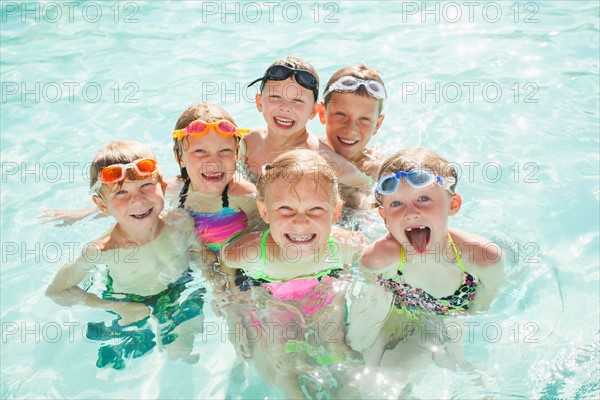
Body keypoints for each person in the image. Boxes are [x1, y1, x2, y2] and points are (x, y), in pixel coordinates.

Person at [220, 149, 367, 397]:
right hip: (274, 301)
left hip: (324, 299)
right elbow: (226, 263)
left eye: (316, 210)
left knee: (338, 350)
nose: (301, 222)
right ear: (264, 212)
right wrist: (236, 311)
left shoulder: (344, 246)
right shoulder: (252, 253)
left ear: (335, 212)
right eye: (286, 209)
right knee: (282, 359)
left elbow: (370, 268)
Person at [46, 140, 205, 368]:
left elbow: (201, 254)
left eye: (146, 186)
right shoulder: (104, 250)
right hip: (130, 301)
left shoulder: (180, 222)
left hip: (179, 287)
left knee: (181, 351)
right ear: (102, 206)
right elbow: (56, 291)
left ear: (161, 184)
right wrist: (113, 307)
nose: (138, 200)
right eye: (121, 192)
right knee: (135, 351)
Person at [350, 147, 505, 370]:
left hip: (451, 315)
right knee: (365, 362)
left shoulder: (482, 257)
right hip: (400, 308)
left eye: (423, 198)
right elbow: (367, 293)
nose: (410, 212)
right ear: (383, 216)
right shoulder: (379, 258)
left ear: (453, 205)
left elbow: (480, 307)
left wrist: (452, 330)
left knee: (455, 362)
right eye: (396, 204)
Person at [242, 56, 372, 195]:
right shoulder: (249, 142)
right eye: (275, 97)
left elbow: (366, 186)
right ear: (259, 102)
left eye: (297, 100)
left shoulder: (324, 160)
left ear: (313, 111)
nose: (285, 107)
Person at [170, 102, 259, 256]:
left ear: (236, 154)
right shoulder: (172, 189)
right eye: (200, 151)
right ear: (179, 158)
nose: (213, 162)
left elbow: (261, 234)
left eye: (225, 150)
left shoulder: (244, 196)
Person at [317, 63, 387, 180]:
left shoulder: (377, 171)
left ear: (377, 125)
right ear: (322, 114)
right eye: (341, 114)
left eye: (364, 119)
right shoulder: (307, 149)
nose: (350, 129)